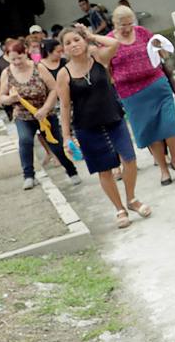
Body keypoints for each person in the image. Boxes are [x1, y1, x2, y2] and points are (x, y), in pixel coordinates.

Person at [56, 25, 151, 228]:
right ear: (63, 49)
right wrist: (66, 136)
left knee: (130, 159)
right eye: (68, 43)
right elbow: (64, 106)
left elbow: (114, 43)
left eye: (77, 39)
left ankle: (132, 199)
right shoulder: (63, 74)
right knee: (104, 170)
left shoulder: (99, 58)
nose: (73, 45)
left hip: (113, 118)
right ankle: (119, 209)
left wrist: (90, 36)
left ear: (84, 40)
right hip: (87, 126)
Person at [107, 5, 175, 186]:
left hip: (156, 85)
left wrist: (160, 47)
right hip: (131, 94)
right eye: (123, 25)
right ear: (114, 24)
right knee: (150, 132)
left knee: (169, 124)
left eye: (130, 23)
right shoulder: (109, 41)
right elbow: (107, 67)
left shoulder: (142, 32)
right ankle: (163, 169)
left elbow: (163, 52)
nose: (127, 29)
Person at [0, 40, 81, 189]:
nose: (17, 62)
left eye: (20, 58)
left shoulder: (38, 67)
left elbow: (54, 89)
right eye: (13, 59)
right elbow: (0, 98)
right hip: (23, 115)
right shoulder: (7, 73)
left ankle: (71, 171)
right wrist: (10, 99)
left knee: (56, 145)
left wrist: (45, 108)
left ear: (26, 54)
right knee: (25, 141)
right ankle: (28, 175)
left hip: (45, 114)